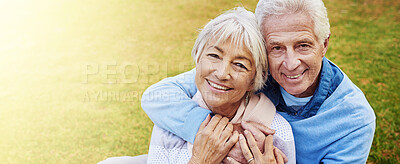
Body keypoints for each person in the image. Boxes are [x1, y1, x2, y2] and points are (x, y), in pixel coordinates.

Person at [142, 0, 376, 163]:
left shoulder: (355, 120)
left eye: (303, 45)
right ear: (261, 53)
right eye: (276, 48)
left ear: (324, 44)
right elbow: (157, 96)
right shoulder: (244, 74)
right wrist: (220, 135)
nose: (291, 63)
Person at [146, 7, 295, 164]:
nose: (222, 73)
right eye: (214, 55)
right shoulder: (170, 121)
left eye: (240, 65)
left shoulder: (278, 134)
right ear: (197, 58)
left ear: (253, 80)